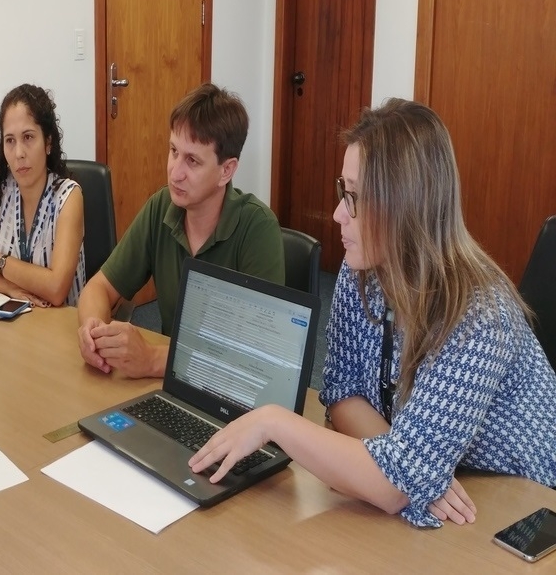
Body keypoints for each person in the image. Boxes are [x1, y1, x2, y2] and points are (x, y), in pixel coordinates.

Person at [190, 98, 556, 528]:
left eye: (355, 198)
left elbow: (393, 487)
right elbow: (341, 391)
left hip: (524, 503)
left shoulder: (479, 314)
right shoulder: (361, 268)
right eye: (342, 190)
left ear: (405, 206)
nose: (337, 214)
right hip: (457, 483)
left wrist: (275, 423)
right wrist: (406, 464)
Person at [77, 82, 284, 379]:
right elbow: (99, 287)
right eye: (174, 151)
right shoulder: (162, 206)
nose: (175, 173)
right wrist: (93, 332)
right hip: (169, 383)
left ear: (226, 170)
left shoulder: (258, 228)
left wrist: (153, 360)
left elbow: (255, 353)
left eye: (192, 161)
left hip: (226, 389)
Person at [0, 83, 86, 307]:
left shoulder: (68, 197)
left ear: (48, 142)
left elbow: (56, 290)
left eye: (28, 137)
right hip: (13, 320)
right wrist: (6, 287)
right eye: (10, 140)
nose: (18, 153)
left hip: (60, 323)